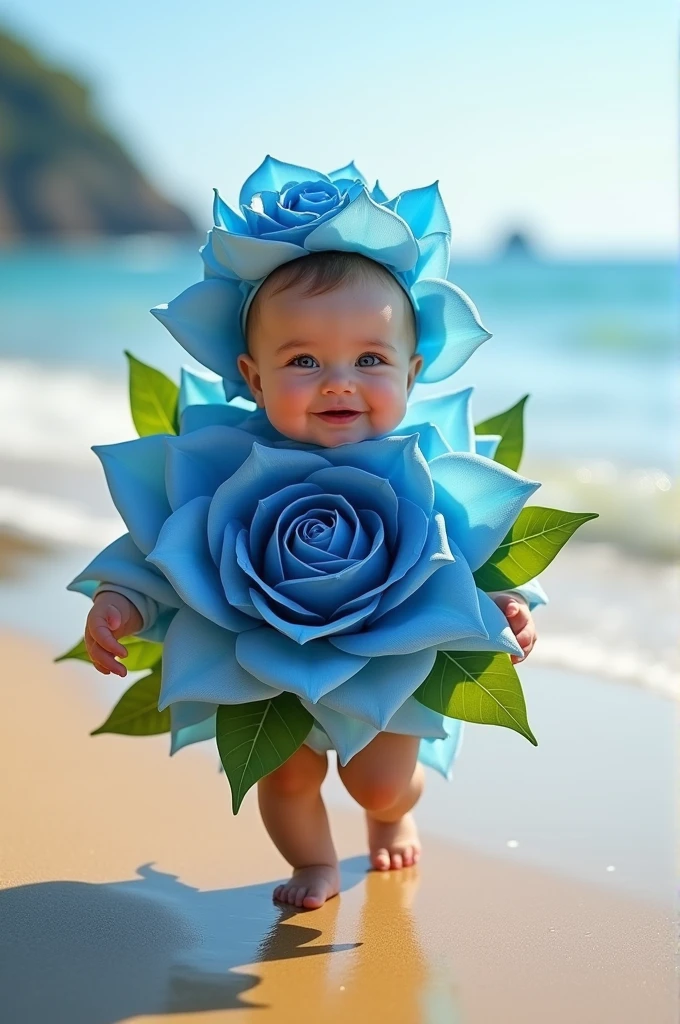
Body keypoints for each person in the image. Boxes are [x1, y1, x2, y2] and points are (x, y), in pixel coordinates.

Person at [83, 250, 538, 911]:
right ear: (253, 377)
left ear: (413, 373)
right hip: (264, 667)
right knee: (285, 777)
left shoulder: (430, 467)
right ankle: (315, 862)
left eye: (370, 360)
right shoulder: (221, 461)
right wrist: (119, 603)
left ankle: (392, 814)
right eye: (303, 362)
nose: (338, 383)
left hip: (384, 665)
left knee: (379, 784)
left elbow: (469, 553)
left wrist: (506, 602)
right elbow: (163, 549)